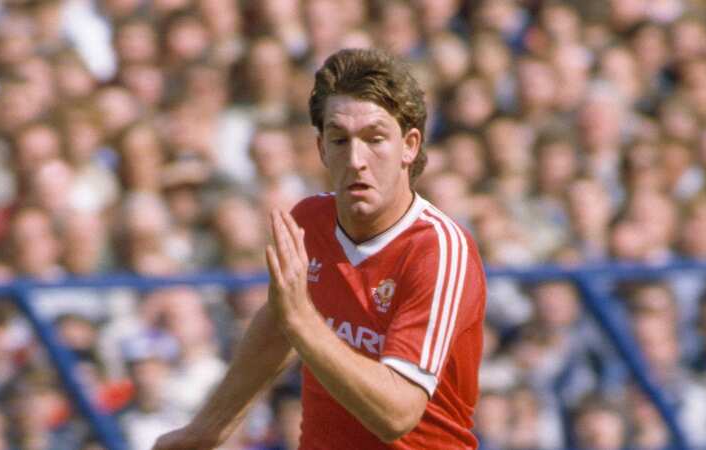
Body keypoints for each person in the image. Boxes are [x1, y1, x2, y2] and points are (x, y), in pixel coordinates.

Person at [153, 48, 486, 449]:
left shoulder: (439, 249)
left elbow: (397, 412)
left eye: (375, 138)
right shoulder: (310, 222)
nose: (356, 159)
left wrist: (302, 322)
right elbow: (277, 325)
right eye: (340, 139)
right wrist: (205, 431)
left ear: (409, 145)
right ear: (321, 149)